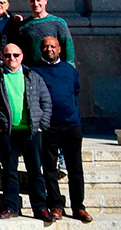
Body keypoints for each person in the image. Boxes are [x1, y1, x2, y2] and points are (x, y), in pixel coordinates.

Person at [0, 43, 52, 221]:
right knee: (9, 170)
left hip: (31, 132)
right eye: (8, 55)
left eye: (16, 55)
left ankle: (40, 208)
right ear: (2, 57)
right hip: (8, 131)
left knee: (35, 171)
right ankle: (11, 206)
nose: (12, 59)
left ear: (22, 56)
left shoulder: (33, 77)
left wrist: (42, 125)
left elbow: (46, 101)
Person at [34, 37, 92, 223]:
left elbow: (75, 91)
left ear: (59, 49)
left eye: (53, 46)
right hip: (48, 126)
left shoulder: (69, 70)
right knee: (50, 167)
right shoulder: (35, 71)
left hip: (71, 124)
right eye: (45, 46)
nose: (49, 49)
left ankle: (78, 207)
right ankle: (56, 205)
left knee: (75, 167)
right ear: (40, 49)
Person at [19, 0, 75, 66]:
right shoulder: (24, 26)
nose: (36, 4)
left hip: (55, 69)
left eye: (38, 0)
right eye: (32, 1)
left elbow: (68, 48)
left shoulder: (58, 23)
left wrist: (70, 69)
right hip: (34, 72)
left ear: (45, 1)